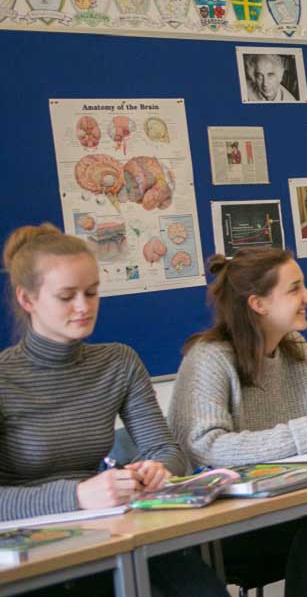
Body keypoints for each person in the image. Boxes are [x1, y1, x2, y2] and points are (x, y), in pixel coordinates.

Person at [0, 223, 227, 597]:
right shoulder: (6, 378)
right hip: (31, 549)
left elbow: (168, 452)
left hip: (109, 528)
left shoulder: (118, 362)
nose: (83, 307)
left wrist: (156, 470)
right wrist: (77, 496)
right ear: (28, 300)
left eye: (91, 292)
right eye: (66, 296)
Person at [167, 247, 307, 597]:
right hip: (225, 524)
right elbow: (205, 447)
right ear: (258, 304)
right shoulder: (210, 359)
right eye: (295, 289)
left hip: (290, 505)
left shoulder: (296, 348)